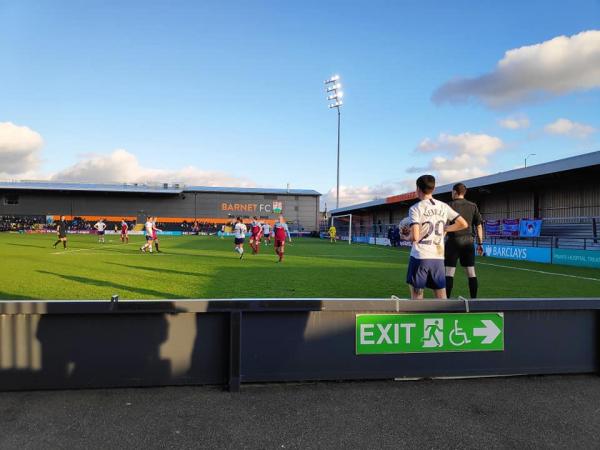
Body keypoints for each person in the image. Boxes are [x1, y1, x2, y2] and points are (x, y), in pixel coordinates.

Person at [405, 175, 468, 300]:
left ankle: (419, 319)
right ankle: (444, 318)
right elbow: (463, 223)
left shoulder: (416, 208)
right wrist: (445, 229)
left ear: (417, 188)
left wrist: (406, 237)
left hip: (420, 257)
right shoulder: (443, 206)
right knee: (441, 298)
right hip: (438, 258)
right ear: (433, 189)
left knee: (417, 297)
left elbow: (415, 236)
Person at [445, 183, 484, 299]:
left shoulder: (449, 205)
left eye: (452, 192)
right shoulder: (473, 206)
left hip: (453, 241)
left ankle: (446, 302)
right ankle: (474, 300)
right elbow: (479, 226)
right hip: (468, 242)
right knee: (471, 273)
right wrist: (480, 243)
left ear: (455, 192)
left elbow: (446, 225)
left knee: (449, 273)